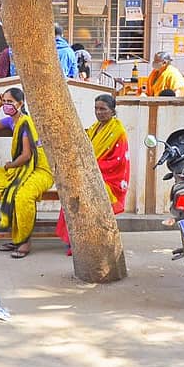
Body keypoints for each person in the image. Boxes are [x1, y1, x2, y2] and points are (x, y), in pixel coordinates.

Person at [0, 88, 54, 259]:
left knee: (22, 196)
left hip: (40, 169)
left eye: (10, 102)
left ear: (20, 104)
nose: (7, 105)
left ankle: (25, 241)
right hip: (23, 168)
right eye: (5, 101)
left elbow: (27, 155)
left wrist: (9, 166)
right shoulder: (10, 121)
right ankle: (17, 238)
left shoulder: (26, 122)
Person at [55, 94, 130, 256]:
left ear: (112, 111)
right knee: (71, 192)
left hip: (108, 178)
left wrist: (90, 169)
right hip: (91, 172)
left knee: (83, 195)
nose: (99, 112)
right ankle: (73, 239)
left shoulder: (118, 131)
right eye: (96, 108)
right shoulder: (96, 127)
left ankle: (85, 241)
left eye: (103, 109)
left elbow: (117, 161)